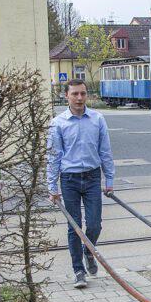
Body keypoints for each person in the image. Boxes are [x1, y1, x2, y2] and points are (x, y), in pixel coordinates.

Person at [47, 79, 115, 289]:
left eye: (83, 94)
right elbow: (54, 156)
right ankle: (79, 271)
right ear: (66, 96)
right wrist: (52, 186)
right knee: (74, 227)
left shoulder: (97, 119)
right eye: (75, 94)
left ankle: (89, 250)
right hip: (70, 179)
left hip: (92, 177)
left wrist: (109, 180)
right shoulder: (58, 123)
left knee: (94, 224)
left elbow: (105, 151)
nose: (79, 98)